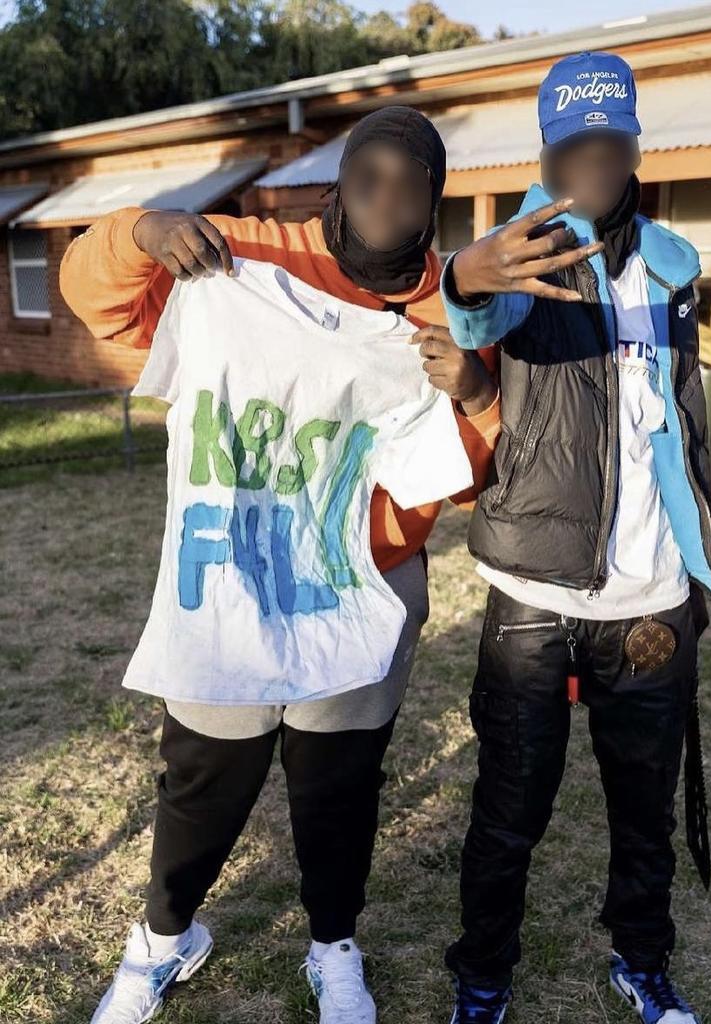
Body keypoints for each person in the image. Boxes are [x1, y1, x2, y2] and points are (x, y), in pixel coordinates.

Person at [59, 105, 597, 1024]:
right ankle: (159, 940)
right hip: (227, 572)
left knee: (339, 780)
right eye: (370, 175)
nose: (388, 199)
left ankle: (332, 945)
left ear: (433, 203)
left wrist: (473, 392)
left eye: (413, 185)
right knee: (203, 773)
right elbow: (95, 297)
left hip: (359, 580)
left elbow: (464, 472)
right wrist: (138, 230)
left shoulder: (451, 299)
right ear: (339, 181)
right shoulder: (236, 260)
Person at [439, 52, 711, 1024]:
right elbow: (477, 302)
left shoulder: (676, 267)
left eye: (612, 140)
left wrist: (697, 570)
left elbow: (685, 425)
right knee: (511, 808)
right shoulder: (524, 247)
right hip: (535, 595)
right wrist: (462, 275)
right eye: (574, 144)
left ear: (635, 145)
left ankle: (642, 961)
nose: (594, 159)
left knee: (644, 810)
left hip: (649, 601)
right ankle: (483, 978)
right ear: (549, 153)